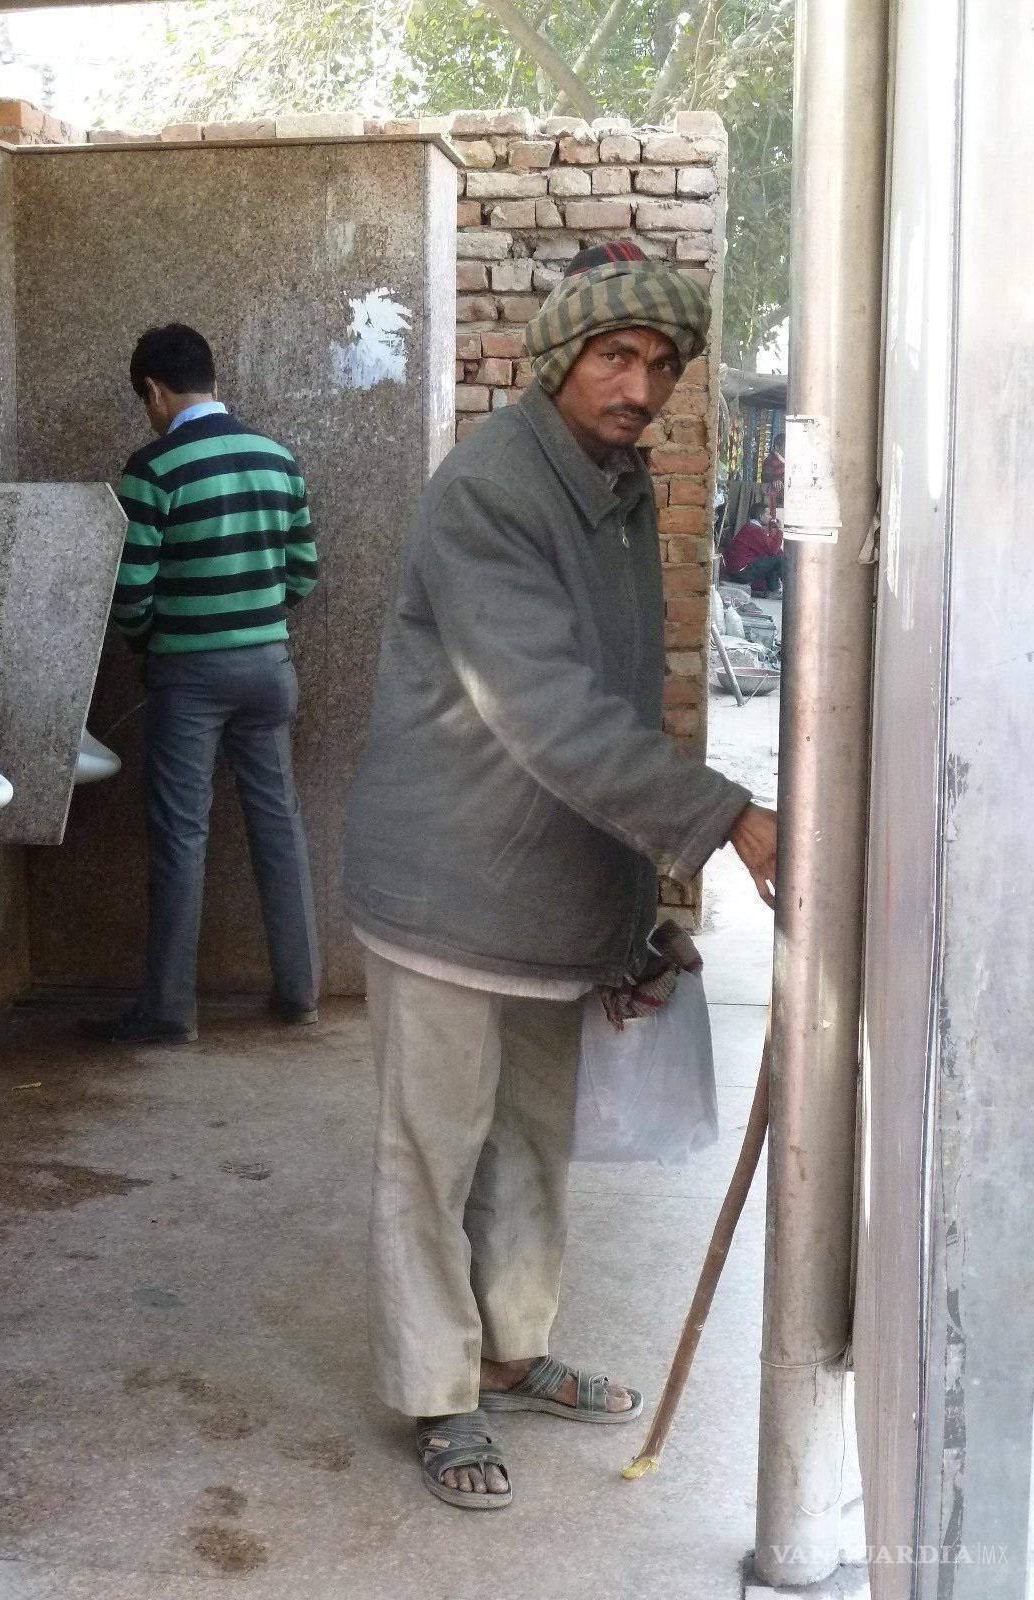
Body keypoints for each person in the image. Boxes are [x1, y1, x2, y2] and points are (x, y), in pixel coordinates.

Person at [343, 242, 778, 1510]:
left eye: (661, 365)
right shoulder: (490, 490)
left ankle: (516, 1350)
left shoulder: (619, 483)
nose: (639, 386)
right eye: (615, 356)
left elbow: (624, 703)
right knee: (432, 1153)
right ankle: (439, 1392)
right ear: (559, 358)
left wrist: (635, 915)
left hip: (547, 897)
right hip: (447, 886)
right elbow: (539, 711)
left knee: (532, 1146)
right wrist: (726, 820)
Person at [82, 323, 321, 1046]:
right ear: (210, 380)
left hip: (189, 677)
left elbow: (131, 594)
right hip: (269, 669)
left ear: (154, 390)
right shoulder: (278, 460)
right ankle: (301, 992)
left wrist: (153, 643)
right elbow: (303, 573)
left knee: (182, 837)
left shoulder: (153, 469)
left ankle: (169, 1010)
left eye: (144, 401)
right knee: (279, 826)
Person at [724, 496, 785, 596]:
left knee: (776, 558)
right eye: (768, 514)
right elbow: (772, 550)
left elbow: (772, 549)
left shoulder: (751, 527)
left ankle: (775, 590)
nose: (770, 517)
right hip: (741, 572)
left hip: (737, 571)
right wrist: (780, 530)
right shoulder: (754, 529)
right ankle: (786, 591)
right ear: (761, 516)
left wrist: (775, 533)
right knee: (779, 559)